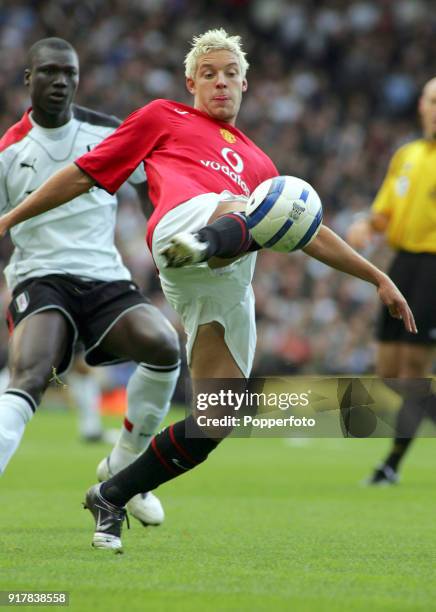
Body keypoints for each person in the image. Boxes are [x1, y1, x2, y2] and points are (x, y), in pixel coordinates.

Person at [0, 29, 416, 552]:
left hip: (227, 276)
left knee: (221, 416)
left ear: (245, 84)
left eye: (230, 75)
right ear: (191, 81)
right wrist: (10, 217)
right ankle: (199, 244)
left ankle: (112, 494)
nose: (220, 83)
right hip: (184, 226)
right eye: (210, 74)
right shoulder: (162, 117)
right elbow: (84, 174)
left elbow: (310, 233)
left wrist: (377, 276)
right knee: (250, 207)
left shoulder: (259, 162)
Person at [0, 38, 181, 526]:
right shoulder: (7, 151)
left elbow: (150, 189)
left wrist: (160, 241)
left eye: (69, 74)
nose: (61, 82)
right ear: (29, 79)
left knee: (164, 347)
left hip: (105, 277)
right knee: (31, 374)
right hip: (40, 276)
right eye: (50, 72)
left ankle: (124, 468)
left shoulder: (107, 131)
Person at [346, 77, 436, 485]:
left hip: (434, 267)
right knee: (387, 371)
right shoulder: (407, 155)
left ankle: (392, 465)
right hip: (403, 264)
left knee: (414, 371)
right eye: (433, 101)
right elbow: (385, 213)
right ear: (421, 105)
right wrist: (367, 224)